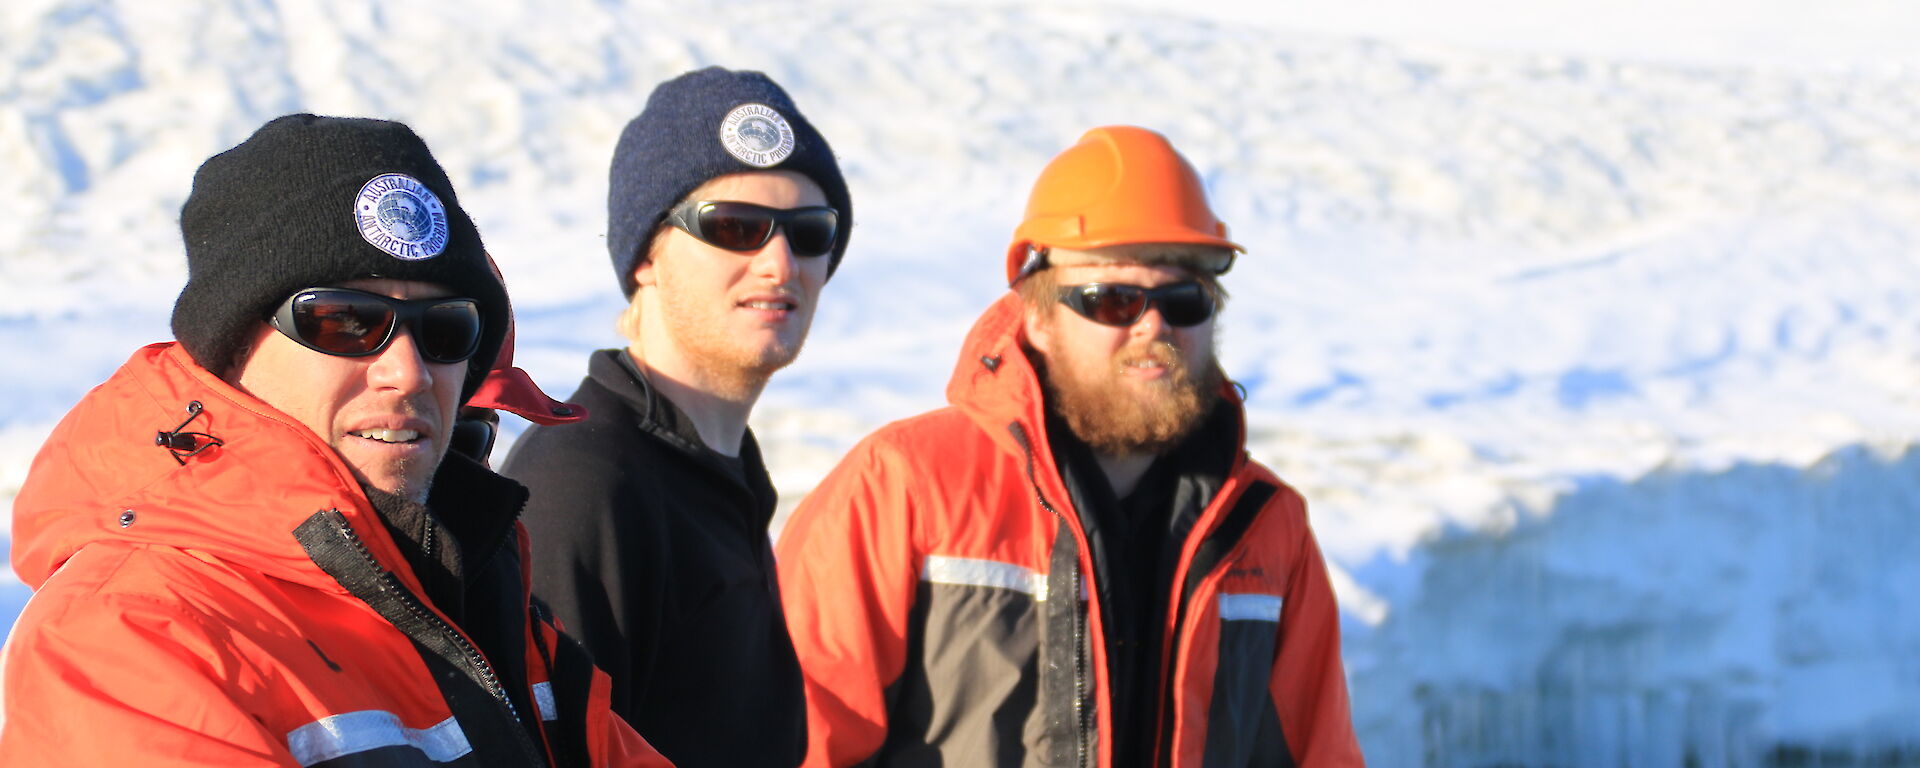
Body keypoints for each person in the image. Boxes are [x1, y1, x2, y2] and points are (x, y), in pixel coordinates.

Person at [0, 114, 670, 767]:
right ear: (232, 348)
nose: (408, 371)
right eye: (345, 322)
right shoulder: (130, 636)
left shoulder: (468, 586)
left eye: (444, 329)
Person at [775, 126, 1366, 767]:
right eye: (1112, 299)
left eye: (1184, 299)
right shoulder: (903, 488)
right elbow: (792, 744)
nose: (1153, 326)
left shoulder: (1268, 529)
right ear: (1038, 317)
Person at [501, 67, 852, 768]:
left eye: (809, 232)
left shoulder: (721, 472)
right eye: (735, 227)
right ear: (647, 259)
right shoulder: (588, 481)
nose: (779, 263)